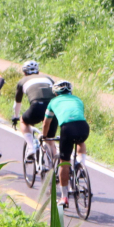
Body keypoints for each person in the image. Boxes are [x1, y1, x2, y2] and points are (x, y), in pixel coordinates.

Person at [42, 80, 90, 211]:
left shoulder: (53, 102)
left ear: (56, 93)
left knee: (64, 161)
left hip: (67, 128)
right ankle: (80, 165)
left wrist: (44, 136)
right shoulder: (78, 99)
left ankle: (64, 197)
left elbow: (47, 122)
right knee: (80, 141)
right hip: (84, 127)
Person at [11, 60, 55, 160]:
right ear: (38, 71)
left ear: (24, 72)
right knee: (50, 140)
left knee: (23, 121)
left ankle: (31, 147)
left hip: (37, 106)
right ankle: (55, 167)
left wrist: (16, 116)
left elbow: (18, 103)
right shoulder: (48, 78)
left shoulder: (22, 81)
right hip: (53, 108)